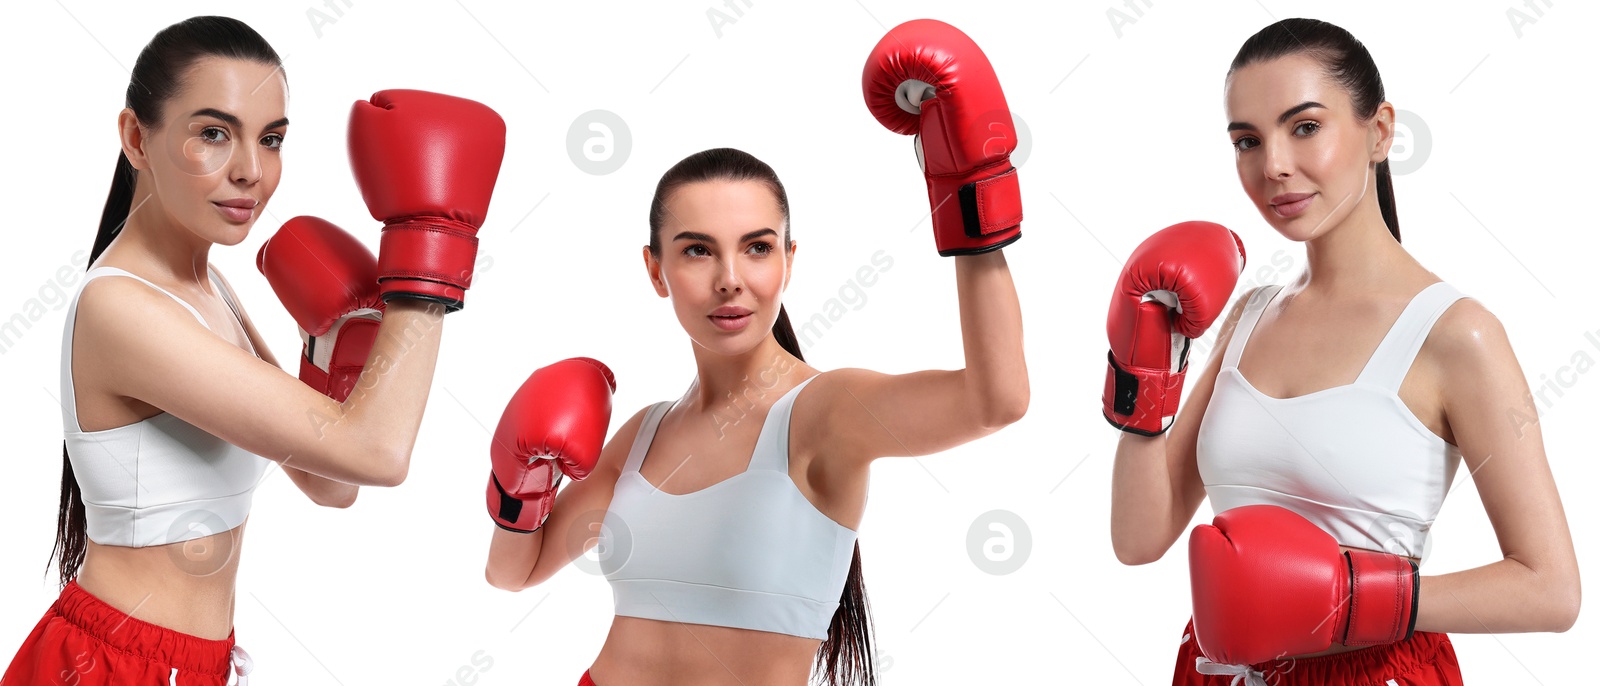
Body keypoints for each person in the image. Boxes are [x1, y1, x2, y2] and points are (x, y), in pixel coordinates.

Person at [481, 19, 1030, 686]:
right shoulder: (646, 433)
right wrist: (521, 484)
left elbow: (996, 400)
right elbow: (514, 571)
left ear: (789, 263)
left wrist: (968, 193)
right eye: (697, 249)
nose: (729, 277)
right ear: (655, 271)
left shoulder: (824, 412)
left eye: (757, 246)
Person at [2, 16, 506, 685]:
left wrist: (334, 346)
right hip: (110, 667)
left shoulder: (212, 291)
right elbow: (377, 453)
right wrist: (429, 250)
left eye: (270, 140)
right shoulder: (119, 309)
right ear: (136, 138)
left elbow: (332, 484)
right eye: (213, 133)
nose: (250, 171)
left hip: (196, 664)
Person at [1102, 17, 1581, 685]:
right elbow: (1137, 539)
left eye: (1304, 127)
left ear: (1379, 131)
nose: (1272, 166)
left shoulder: (1455, 334)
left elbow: (1551, 590)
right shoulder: (1249, 315)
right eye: (1248, 140)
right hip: (1218, 669)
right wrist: (1142, 369)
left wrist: (1350, 600)